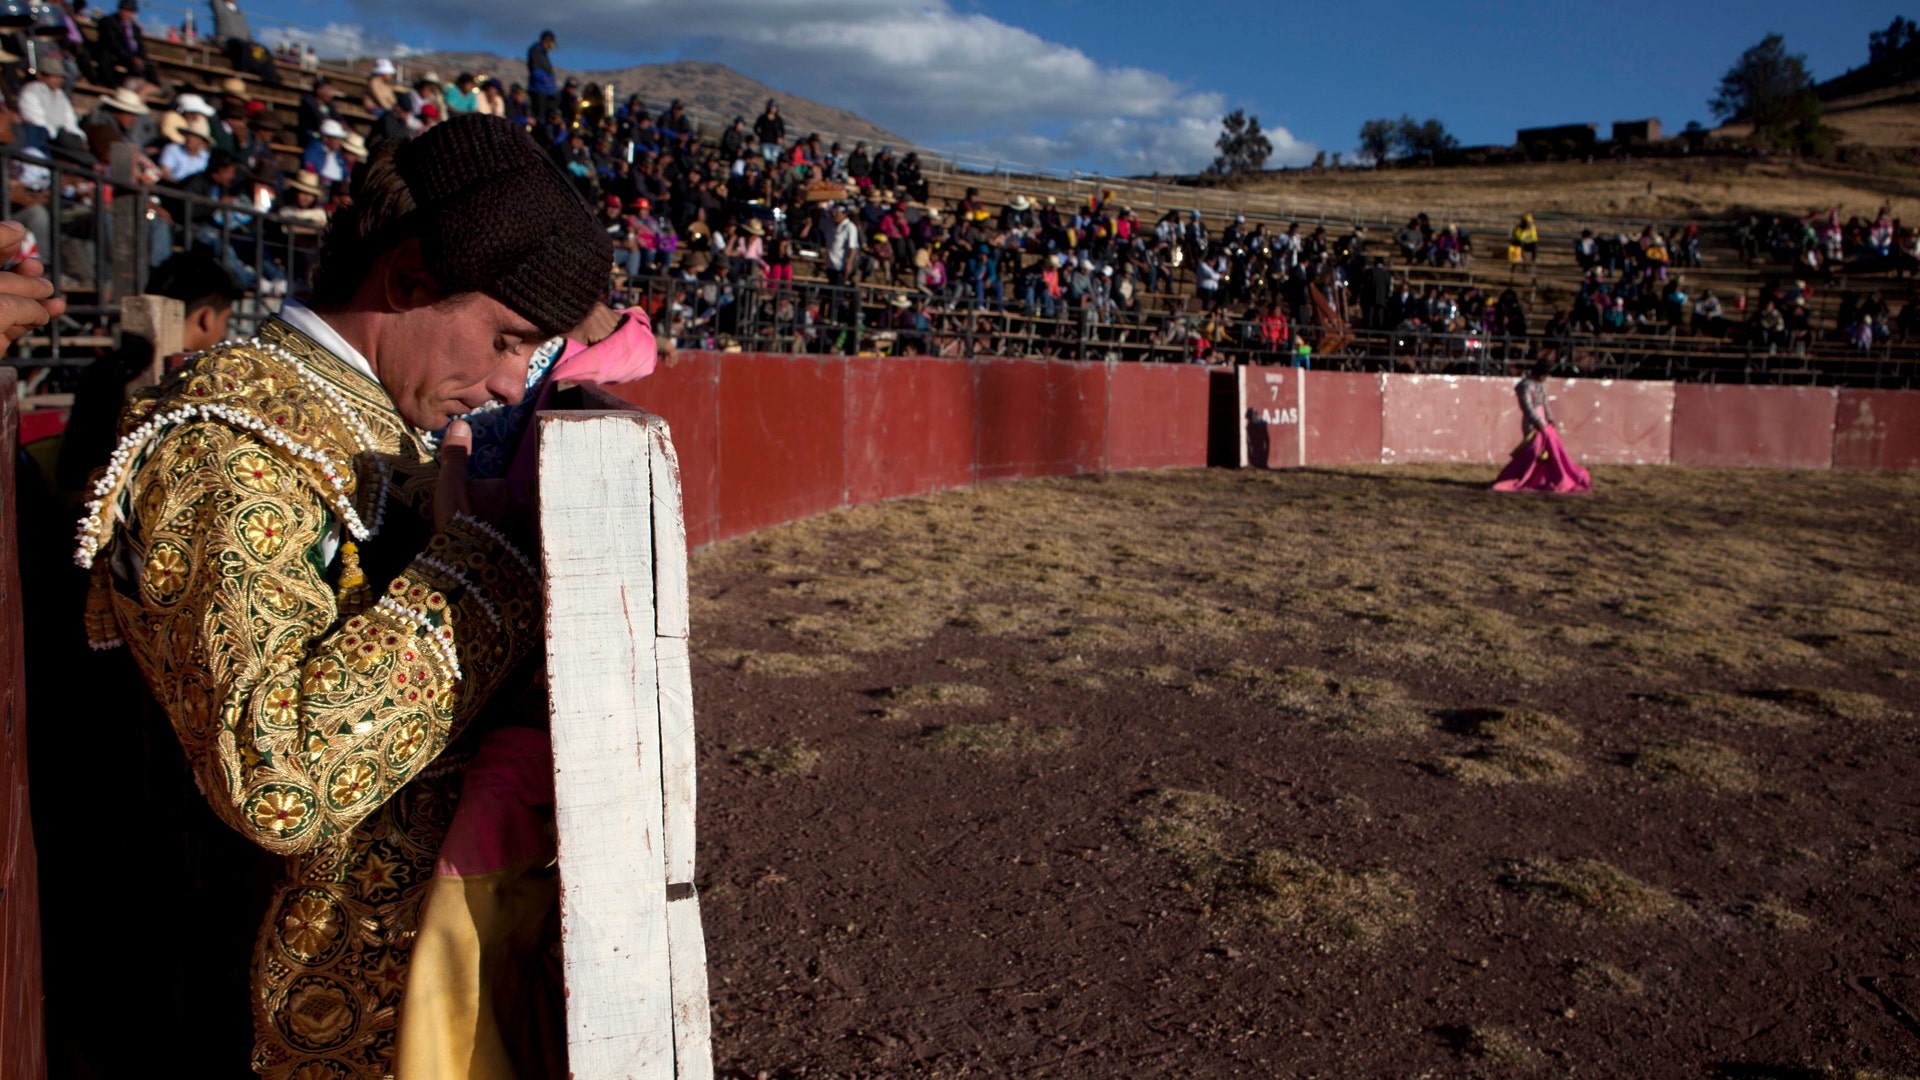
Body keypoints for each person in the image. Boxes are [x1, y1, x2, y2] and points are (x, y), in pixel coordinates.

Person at [71, 114, 620, 1080]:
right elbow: (276, 776)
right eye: (504, 339)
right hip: (309, 1013)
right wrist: (488, 564)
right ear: (407, 278)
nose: (504, 383)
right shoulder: (227, 442)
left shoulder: (367, 418)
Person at [1492, 359, 1591, 494]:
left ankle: (1541, 477)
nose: (1545, 377)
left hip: (1543, 422)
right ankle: (1532, 477)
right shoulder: (1525, 385)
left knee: (1547, 451)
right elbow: (1527, 407)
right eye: (1544, 374)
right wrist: (1538, 422)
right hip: (1532, 424)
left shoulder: (1537, 386)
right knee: (1534, 450)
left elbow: (1544, 404)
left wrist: (1548, 419)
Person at [93, 0, 153, 85]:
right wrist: (131, 57)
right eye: (123, 9)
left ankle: (153, 87)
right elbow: (113, 43)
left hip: (130, 56)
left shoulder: (135, 28)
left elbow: (140, 45)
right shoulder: (109, 22)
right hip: (115, 54)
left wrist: (141, 57)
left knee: (147, 65)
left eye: (128, 10)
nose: (124, 13)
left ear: (133, 13)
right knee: (107, 59)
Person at [303, 117, 349, 183]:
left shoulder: (338, 154)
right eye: (336, 138)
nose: (339, 142)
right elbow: (309, 166)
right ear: (325, 138)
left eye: (340, 139)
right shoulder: (314, 149)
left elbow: (345, 171)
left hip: (338, 186)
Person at [527, 29, 557, 123]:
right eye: (549, 44)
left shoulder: (544, 54)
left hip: (546, 92)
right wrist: (546, 80)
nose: (549, 47)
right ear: (545, 41)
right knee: (539, 117)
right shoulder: (534, 51)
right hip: (538, 90)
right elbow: (535, 70)